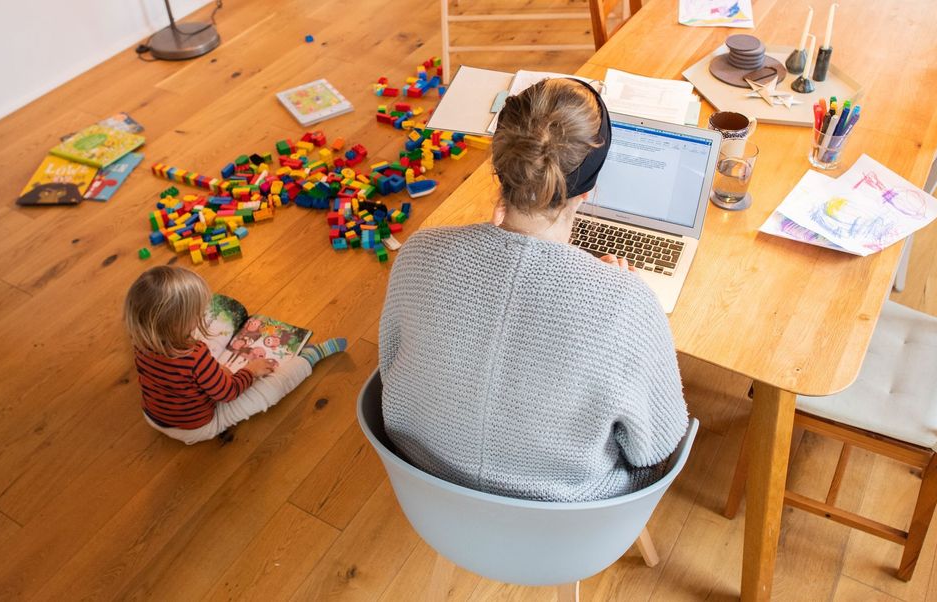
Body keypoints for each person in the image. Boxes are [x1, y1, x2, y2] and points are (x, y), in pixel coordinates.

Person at [379, 78, 689, 502]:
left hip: (427, 491)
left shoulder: (418, 254)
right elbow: (655, 447)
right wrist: (622, 300)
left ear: (499, 166)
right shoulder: (626, 306)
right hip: (567, 524)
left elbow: (392, 364)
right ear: (590, 189)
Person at [124, 266, 347, 444]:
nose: (201, 315)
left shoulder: (140, 342)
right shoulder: (194, 356)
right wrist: (250, 371)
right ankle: (309, 357)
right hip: (197, 428)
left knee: (212, 360)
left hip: (153, 417)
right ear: (176, 324)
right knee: (270, 391)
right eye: (196, 314)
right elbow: (228, 393)